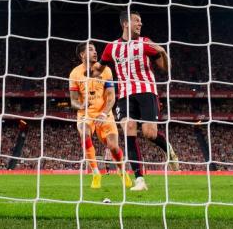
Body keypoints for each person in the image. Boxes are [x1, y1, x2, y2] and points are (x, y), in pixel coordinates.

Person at [92, 10, 178, 191]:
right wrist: (89, 72)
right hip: (124, 95)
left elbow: (166, 68)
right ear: (125, 24)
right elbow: (98, 68)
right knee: (129, 129)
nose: (141, 24)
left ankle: (167, 148)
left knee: (149, 133)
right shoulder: (111, 47)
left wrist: (162, 51)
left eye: (141, 21)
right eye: (137, 21)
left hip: (146, 91)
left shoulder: (145, 43)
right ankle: (140, 180)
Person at [69, 42, 132, 189]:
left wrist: (103, 113)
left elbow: (111, 97)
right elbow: (73, 101)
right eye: (90, 50)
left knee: (113, 147)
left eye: (95, 50)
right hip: (85, 114)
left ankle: (122, 171)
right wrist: (81, 106)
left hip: (105, 113)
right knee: (84, 133)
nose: (95, 52)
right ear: (82, 55)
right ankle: (96, 173)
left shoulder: (106, 70)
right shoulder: (75, 73)